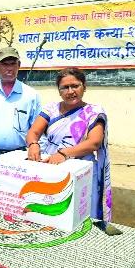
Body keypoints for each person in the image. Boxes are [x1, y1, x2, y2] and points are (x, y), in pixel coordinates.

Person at [26, 67, 111, 221]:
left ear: (84, 87)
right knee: (52, 214)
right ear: (59, 91)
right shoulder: (51, 109)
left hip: (81, 172)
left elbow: (94, 142)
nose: (70, 91)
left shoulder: (93, 111)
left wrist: (64, 154)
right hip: (51, 169)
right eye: (65, 87)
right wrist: (33, 144)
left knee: (80, 216)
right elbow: (33, 132)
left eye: (75, 86)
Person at [0, 46, 42, 156]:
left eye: (13, 63)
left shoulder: (31, 95)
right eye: (5, 64)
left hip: (20, 157)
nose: (9, 68)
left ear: (19, 65)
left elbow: (38, 130)